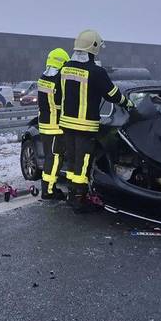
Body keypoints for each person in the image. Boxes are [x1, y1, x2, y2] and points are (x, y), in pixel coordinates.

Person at [58, 29, 132, 210]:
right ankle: (79, 200)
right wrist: (128, 103)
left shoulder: (65, 68)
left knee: (72, 161)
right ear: (94, 48)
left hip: (67, 124)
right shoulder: (96, 72)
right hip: (85, 126)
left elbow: (59, 93)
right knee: (82, 164)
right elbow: (112, 94)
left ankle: (72, 195)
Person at [37, 47, 70, 200]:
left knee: (49, 157)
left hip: (44, 125)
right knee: (55, 158)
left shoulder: (43, 77)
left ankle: (48, 187)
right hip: (55, 126)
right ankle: (48, 191)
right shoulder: (59, 80)